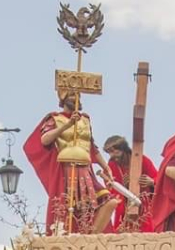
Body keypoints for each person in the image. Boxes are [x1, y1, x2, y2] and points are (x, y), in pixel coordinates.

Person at [24, 91, 116, 234]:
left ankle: (91, 236)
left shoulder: (85, 119)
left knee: (109, 202)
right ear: (63, 99)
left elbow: (92, 147)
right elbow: (44, 140)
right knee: (69, 209)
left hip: (86, 169)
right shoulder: (54, 118)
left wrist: (106, 167)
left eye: (78, 96)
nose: (76, 98)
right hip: (67, 169)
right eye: (72, 95)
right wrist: (67, 126)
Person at [103, 135, 159, 233]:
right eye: (109, 153)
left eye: (113, 151)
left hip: (144, 206)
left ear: (123, 148)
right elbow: (111, 190)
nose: (111, 156)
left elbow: (158, 179)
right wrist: (123, 187)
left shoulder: (142, 160)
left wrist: (151, 182)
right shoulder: (111, 165)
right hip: (125, 209)